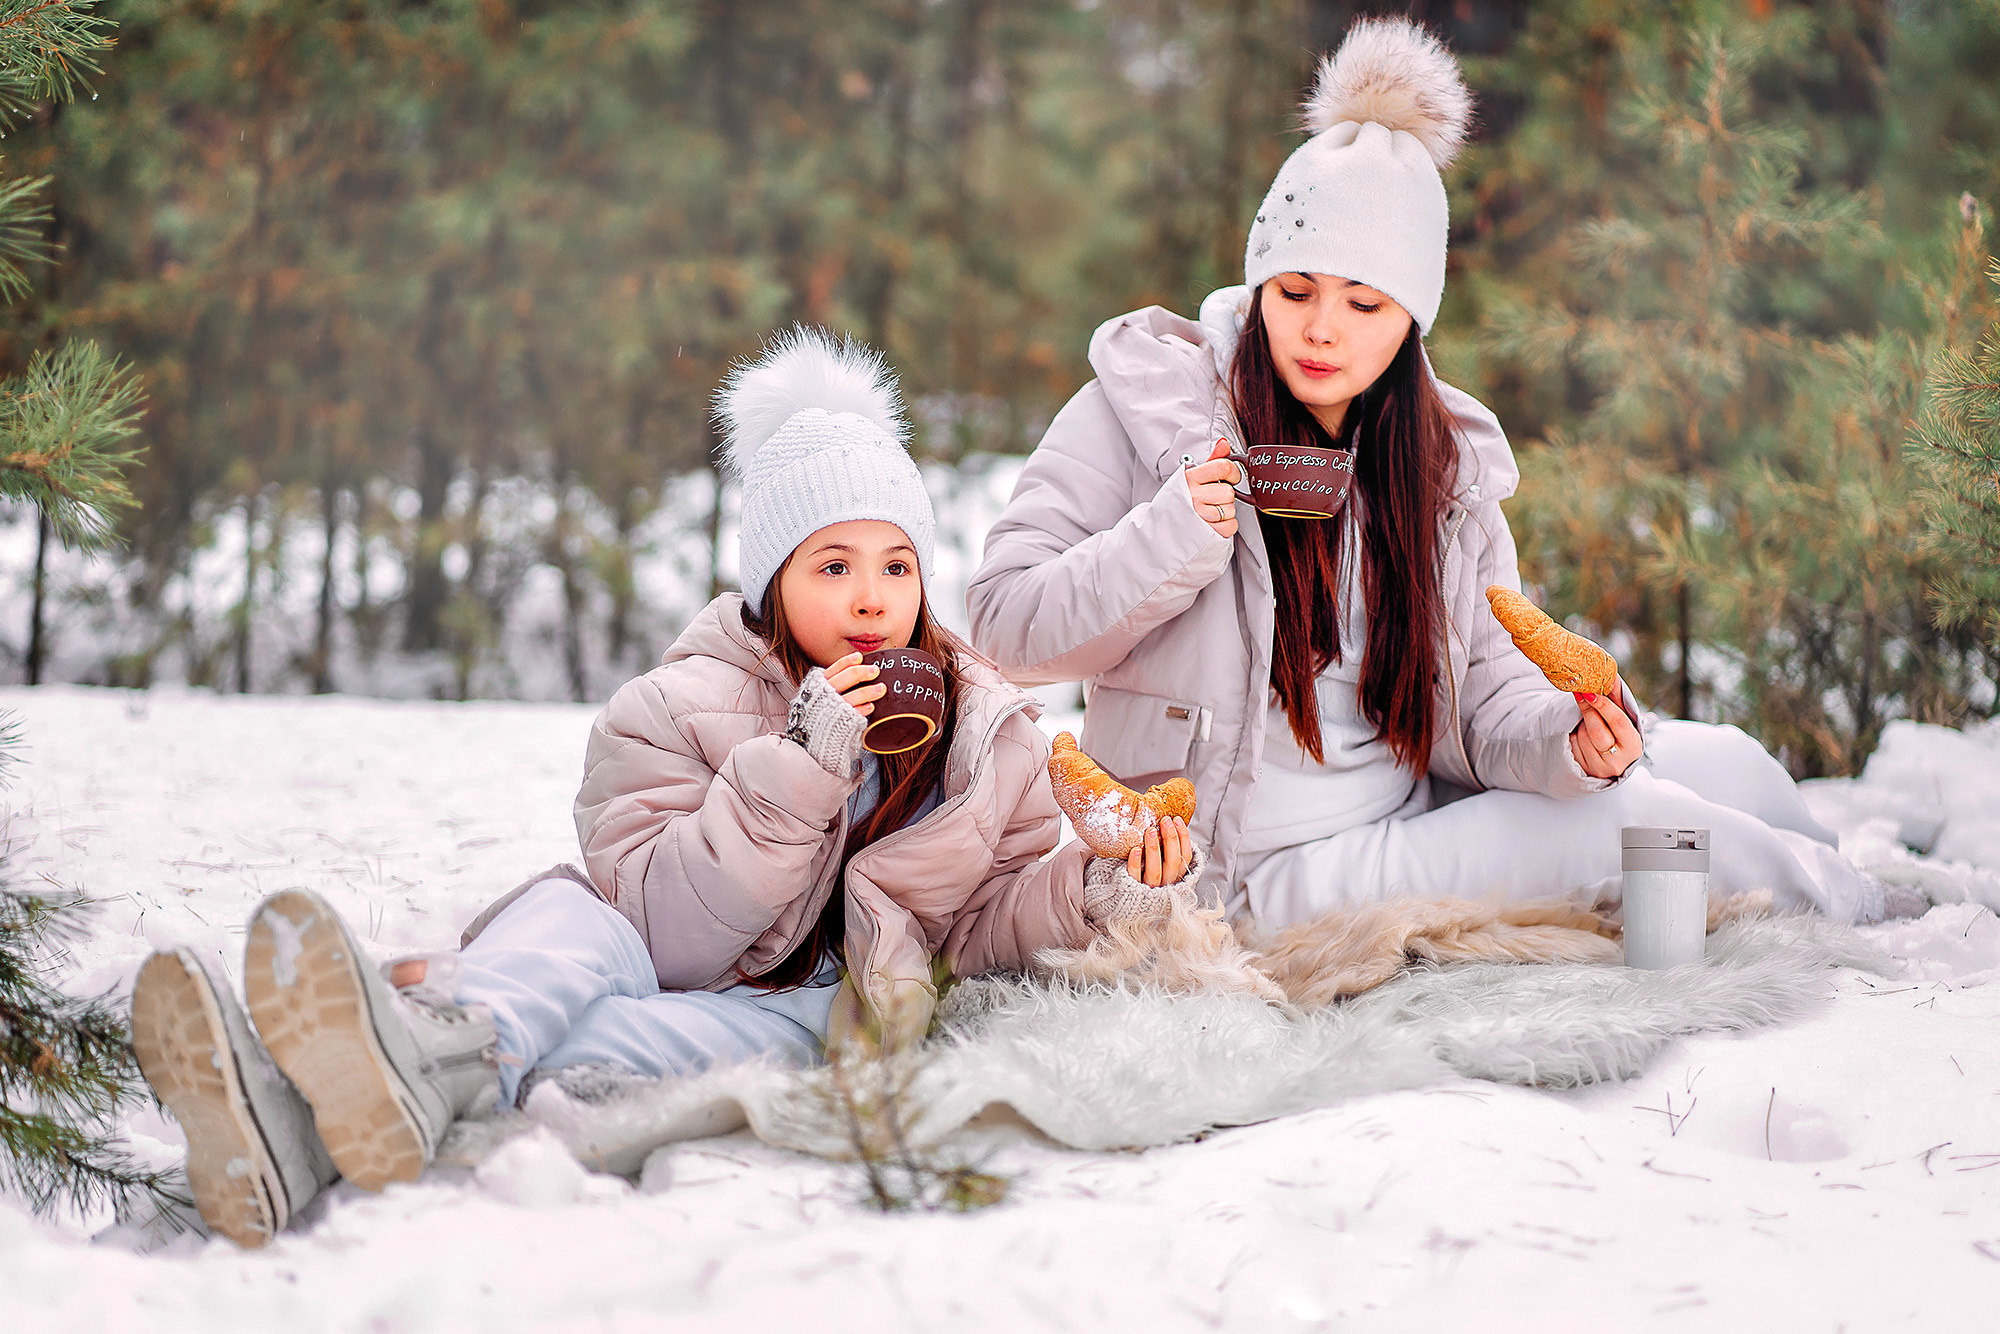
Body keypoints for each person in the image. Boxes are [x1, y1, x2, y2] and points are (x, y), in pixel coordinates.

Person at [129, 328, 1199, 1248]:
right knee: (567, 918)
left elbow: (974, 927)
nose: (871, 598)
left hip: (810, 1008)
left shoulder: (986, 738)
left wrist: (1091, 890)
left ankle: (310, 1112)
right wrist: (802, 765)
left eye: (896, 564)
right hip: (657, 946)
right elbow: (662, 928)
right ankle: (417, 1056)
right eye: (831, 565)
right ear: (770, 581)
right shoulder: (669, 704)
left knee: (593, 1052)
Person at [965, 17, 1923, 937]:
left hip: (1406, 806)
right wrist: (1168, 539)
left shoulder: (1437, 466)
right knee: (1616, 828)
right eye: (1294, 291)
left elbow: (1488, 688)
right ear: (1259, 283)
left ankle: (1839, 892)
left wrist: (1569, 740)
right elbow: (1004, 626)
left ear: (1412, 316)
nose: (1321, 329)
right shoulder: (1148, 410)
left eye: (1364, 301)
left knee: (1721, 763)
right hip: (1243, 866)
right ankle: (1880, 928)